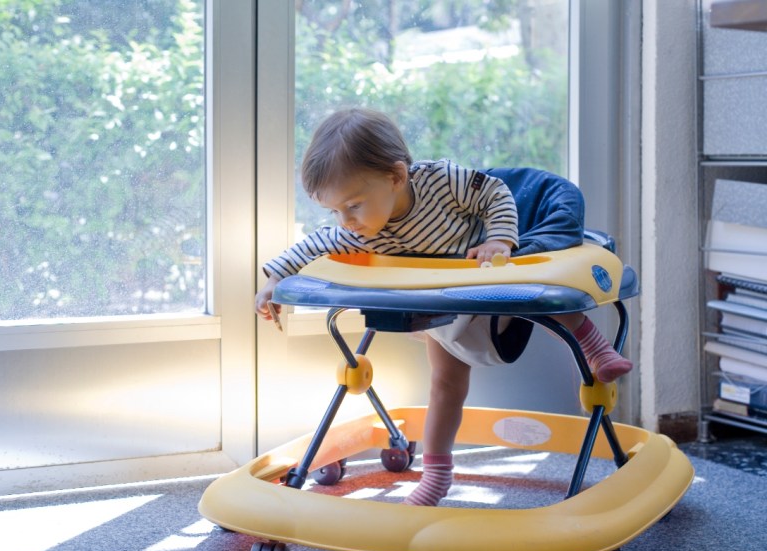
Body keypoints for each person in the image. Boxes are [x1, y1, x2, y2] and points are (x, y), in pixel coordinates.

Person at [255, 108, 632, 507]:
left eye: (353, 205)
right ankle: (436, 477)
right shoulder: (359, 232)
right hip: (440, 309)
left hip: (489, 287)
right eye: (334, 211)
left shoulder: (441, 182)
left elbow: (494, 192)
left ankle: (594, 348)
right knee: (446, 387)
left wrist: (501, 241)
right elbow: (310, 246)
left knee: (541, 293)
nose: (344, 221)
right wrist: (273, 282)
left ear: (397, 177)